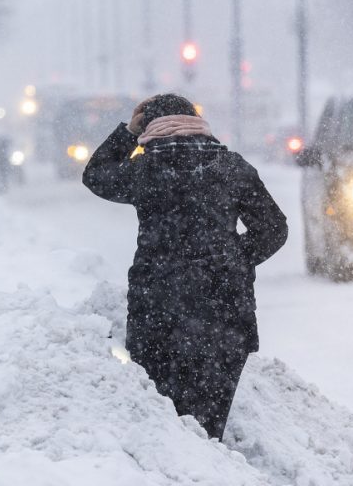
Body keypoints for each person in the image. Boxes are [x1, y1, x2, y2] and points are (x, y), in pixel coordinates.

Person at [82, 94, 287, 440]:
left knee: (167, 426)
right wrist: (233, 260)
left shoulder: (146, 168)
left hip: (158, 312)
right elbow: (274, 228)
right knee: (208, 428)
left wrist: (128, 133)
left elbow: (96, 176)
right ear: (196, 121)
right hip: (225, 315)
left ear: (149, 126)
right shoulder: (230, 166)